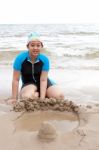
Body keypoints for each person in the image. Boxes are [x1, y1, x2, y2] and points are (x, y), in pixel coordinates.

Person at [7, 32, 64, 104]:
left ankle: (42, 94)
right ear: (28, 46)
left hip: (44, 83)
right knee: (27, 98)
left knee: (59, 96)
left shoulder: (44, 59)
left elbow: (43, 80)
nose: (35, 48)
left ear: (41, 46)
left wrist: (42, 99)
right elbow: (16, 79)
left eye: (38, 45)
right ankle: (37, 94)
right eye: (32, 45)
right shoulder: (20, 58)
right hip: (29, 84)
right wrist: (14, 98)